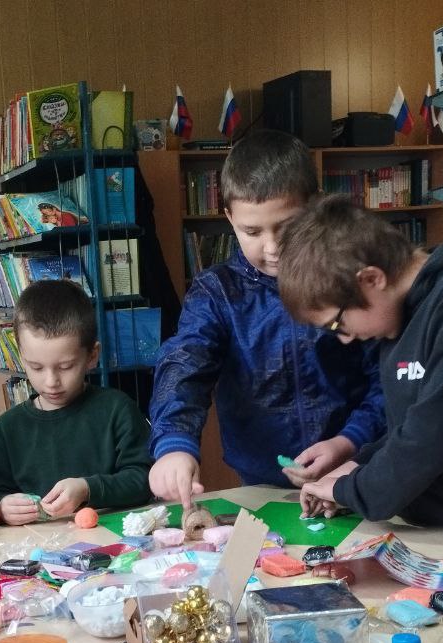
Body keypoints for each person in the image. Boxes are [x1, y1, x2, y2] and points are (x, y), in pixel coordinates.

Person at [278, 195, 443, 551]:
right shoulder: (399, 317)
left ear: (371, 279)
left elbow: (437, 432)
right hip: (440, 530)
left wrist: (352, 489)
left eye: (337, 323)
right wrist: (356, 466)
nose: (344, 338)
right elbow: (407, 427)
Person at [147, 129, 385, 507]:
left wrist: (351, 439)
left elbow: (386, 375)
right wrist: (174, 442)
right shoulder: (217, 292)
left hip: (359, 465)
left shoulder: (349, 278)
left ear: (316, 206)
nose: (272, 247)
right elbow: (185, 364)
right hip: (261, 482)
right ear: (229, 217)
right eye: (252, 231)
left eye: (287, 226)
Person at [0, 280, 152, 523]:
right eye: (36, 367)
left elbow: (143, 480)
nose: (51, 381)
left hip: (110, 536)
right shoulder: (6, 429)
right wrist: (2, 507)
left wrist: (88, 488)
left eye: (65, 367)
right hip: (38, 541)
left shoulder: (117, 409)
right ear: (21, 357)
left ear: (92, 355)